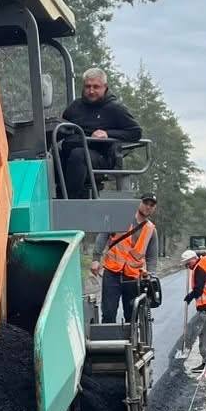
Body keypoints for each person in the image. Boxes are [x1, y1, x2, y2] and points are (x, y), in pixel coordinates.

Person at [60, 68, 142, 198]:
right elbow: (62, 127)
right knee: (50, 155)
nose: (91, 91)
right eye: (88, 86)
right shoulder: (75, 107)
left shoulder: (115, 109)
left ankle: (71, 199)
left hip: (102, 156)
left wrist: (107, 134)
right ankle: (54, 193)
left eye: (96, 87)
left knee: (79, 154)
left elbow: (136, 132)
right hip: (73, 150)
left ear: (105, 87)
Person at [90, 194, 159, 323]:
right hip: (112, 273)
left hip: (133, 276)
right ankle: (108, 335)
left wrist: (151, 274)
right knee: (109, 312)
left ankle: (131, 335)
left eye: (152, 205)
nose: (148, 207)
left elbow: (152, 257)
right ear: (139, 203)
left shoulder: (151, 230)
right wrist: (96, 259)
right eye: (146, 203)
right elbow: (103, 235)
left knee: (132, 314)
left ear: (154, 208)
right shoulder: (120, 218)